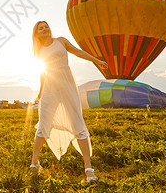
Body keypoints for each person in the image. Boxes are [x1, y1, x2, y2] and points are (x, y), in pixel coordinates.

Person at [30, 21, 108, 181]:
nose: (45, 29)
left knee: (77, 123)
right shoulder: (38, 51)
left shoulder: (61, 41)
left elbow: (78, 52)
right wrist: (40, 92)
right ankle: (34, 165)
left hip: (67, 86)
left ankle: (88, 169)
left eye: (47, 26)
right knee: (43, 125)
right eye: (41, 28)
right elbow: (42, 72)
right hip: (49, 90)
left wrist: (96, 61)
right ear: (36, 34)